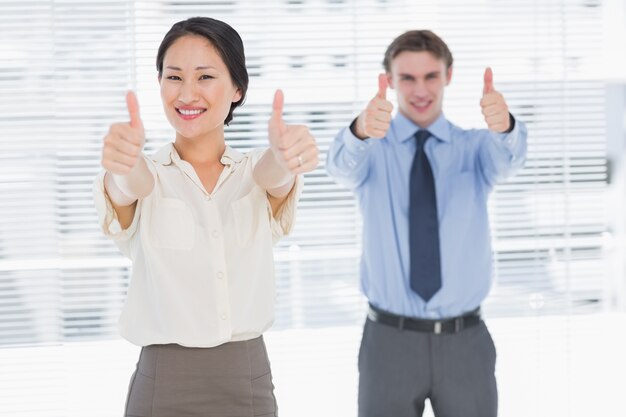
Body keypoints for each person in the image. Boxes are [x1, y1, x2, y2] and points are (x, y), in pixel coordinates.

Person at [93, 17, 318, 417]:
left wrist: (286, 159)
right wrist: (124, 164)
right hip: (163, 381)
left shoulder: (254, 173)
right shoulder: (148, 173)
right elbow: (131, 185)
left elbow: (273, 175)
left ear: (237, 88)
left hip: (246, 378)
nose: (187, 93)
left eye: (205, 76)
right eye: (174, 76)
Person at [326, 30, 527, 417]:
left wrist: (505, 127)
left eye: (430, 76)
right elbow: (339, 166)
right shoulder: (371, 151)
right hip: (388, 344)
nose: (420, 90)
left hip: (465, 343)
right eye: (408, 78)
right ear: (388, 80)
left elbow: (510, 158)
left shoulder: (475, 148)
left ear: (448, 76)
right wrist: (361, 129)